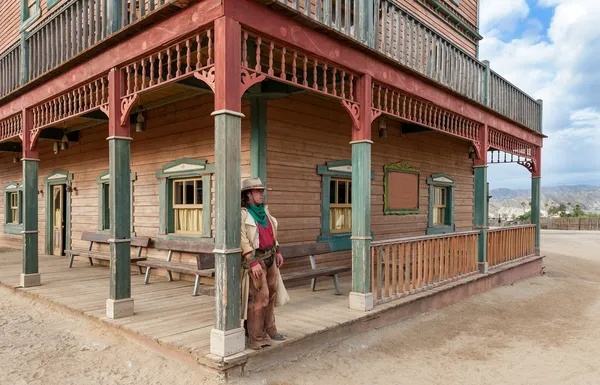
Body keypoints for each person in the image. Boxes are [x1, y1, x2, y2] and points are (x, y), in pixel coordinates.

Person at [240, 177, 288, 350]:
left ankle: (270, 329)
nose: (262, 194)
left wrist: (278, 251)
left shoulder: (264, 212)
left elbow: (271, 234)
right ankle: (256, 337)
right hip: (256, 260)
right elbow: (242, 238)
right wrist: (251, 260)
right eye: (258, 191)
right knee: (260, 297)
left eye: (262, 191)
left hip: (270, 257)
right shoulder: (243, 214)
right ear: (248, 194)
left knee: (272, 295)